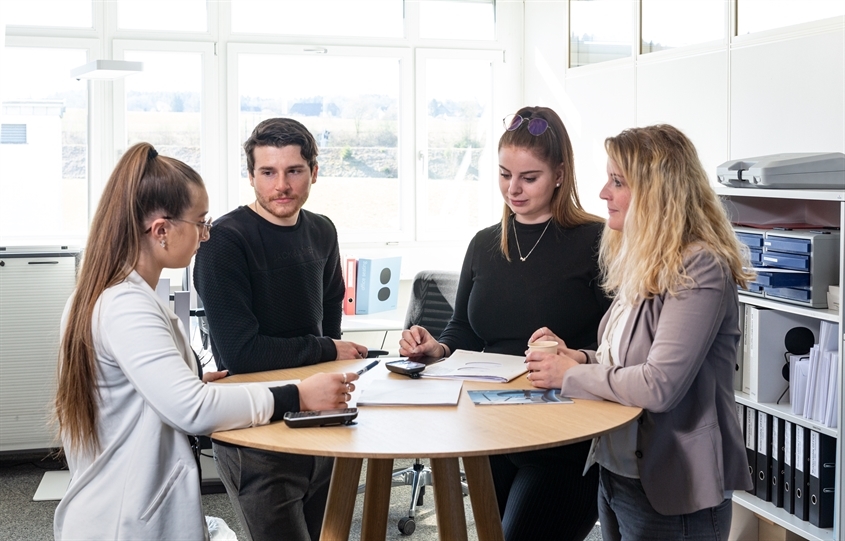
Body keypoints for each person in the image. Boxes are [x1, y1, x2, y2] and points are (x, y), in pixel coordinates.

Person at [53, 143, 358, 540]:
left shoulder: (116, 294)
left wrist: (191, 383)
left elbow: (152, 396)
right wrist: (297, 395)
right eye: (199, 222)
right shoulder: (125, 306)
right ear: (162, 230)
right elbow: (193, 411)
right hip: (123, 519)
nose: (205, 234)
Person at [527, 124, 754, 541]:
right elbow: (627, 361)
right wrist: (579, 358)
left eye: (618, 181)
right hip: (617, 474)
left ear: (657, 191)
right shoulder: (645, 260)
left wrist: (569, 376)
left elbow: (658, 384)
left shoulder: (700, 266)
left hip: (672, 485)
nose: (602, 193)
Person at [400, 106, 610, 541]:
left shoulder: (597, 240)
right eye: (503, 174)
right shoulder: (483, 244)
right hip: (490, 429)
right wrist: (435, 348)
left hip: (564, 435)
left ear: (559, 174)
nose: (512, 189)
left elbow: (620, 342)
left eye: (528, 178)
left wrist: (572, 352)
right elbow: (465, 331)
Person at [192, 118, 368, 541]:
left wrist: (326, 360)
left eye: (294, 171)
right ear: (250, 175)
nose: (281, 185)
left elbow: (329, 320)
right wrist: (325, 349)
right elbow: (242, 354)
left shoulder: (323, 231)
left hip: (319, 419)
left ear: (314, 172)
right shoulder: (223, 243)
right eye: (267, 172)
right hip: (258, 428)